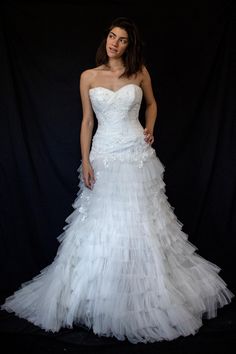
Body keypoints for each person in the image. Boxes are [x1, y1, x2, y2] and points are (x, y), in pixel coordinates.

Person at [1, 16, 234, 344]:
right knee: (103, 224)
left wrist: (150, 128)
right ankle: (100, 298)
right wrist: (85, 162)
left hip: (136, 153)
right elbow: (86, 122)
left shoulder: (140, 73)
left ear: (130, 45)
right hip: (104, 156)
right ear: (106, 39)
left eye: (122, 39)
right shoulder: (88, 77)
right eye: (112, 36)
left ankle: (144, 297)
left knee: (141, 224)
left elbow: (152, 105)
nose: (115, 42)